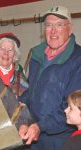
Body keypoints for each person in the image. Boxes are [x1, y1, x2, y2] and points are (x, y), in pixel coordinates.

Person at [18, 5, 81, 150]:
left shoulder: (78, 60)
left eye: (59, 25)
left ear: (69, 29)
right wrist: (21, 117)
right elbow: (30, 92)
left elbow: (72, 105)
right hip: (32, 134)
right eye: (48, 25)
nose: (53, 31)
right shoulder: (36, 55)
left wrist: (40, 126)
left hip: (61, 140)